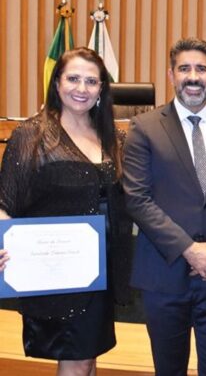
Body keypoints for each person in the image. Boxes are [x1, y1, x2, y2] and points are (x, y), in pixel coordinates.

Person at [0, 47, 131, 376]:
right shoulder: (31, 136)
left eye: (91, 81)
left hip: (99, 269)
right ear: (57, 83)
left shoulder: (112, 136)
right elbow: (6, 201)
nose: (82, 88)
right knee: (75, 358)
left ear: (102, 88)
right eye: (73, 78)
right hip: (56, 269)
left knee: (88, 359)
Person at [122, 38, 206, 376]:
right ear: (170, 74)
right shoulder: (143, 129)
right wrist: (190, 250)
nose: (193, 77)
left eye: (201, 69)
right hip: (164, 274)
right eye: (184, 68)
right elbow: (136, 198)